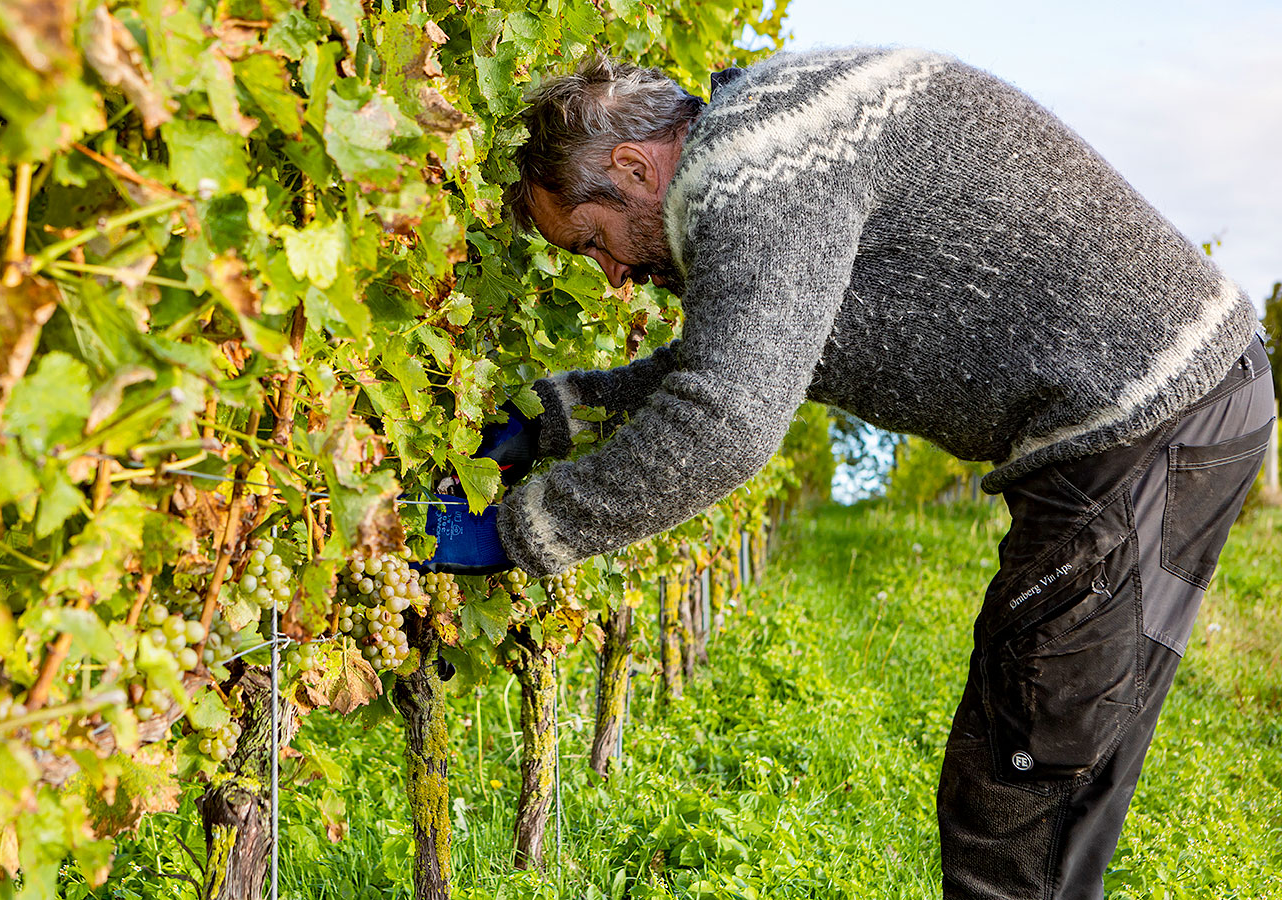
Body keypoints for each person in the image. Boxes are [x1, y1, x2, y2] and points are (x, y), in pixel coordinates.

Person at [422, 47, 1275, 898]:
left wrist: (515, 532)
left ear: (632, 166)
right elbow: (742, 365)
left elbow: (727, 420)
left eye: (591, 242)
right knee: (1055, 784)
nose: (611, 277)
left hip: (1145, 419)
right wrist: (556, 419)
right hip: (1175, 404)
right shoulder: (772, 140)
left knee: (1020, 803)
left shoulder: (750, 163)